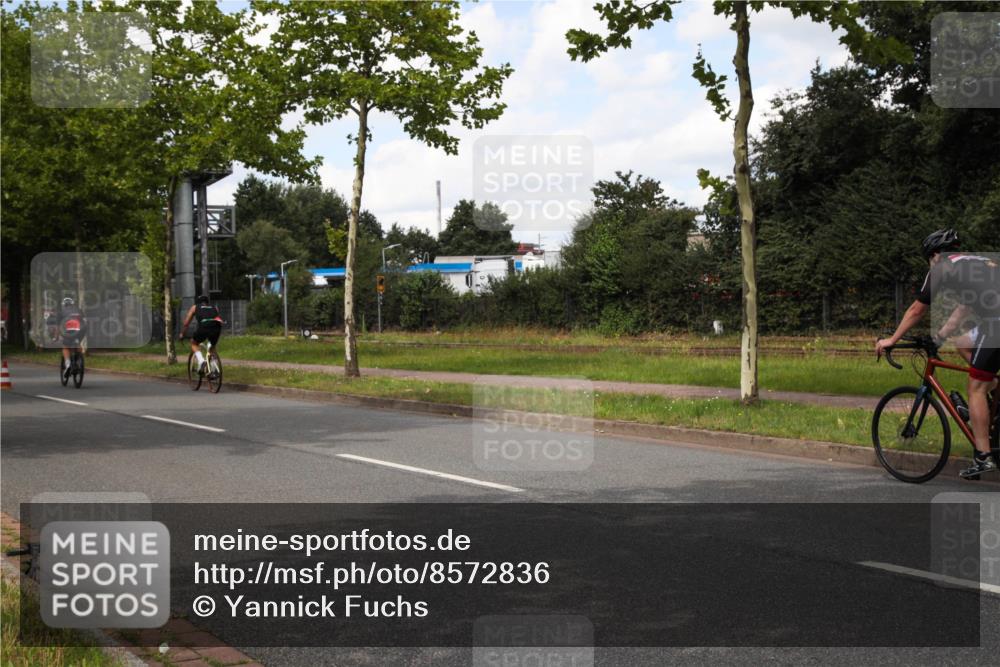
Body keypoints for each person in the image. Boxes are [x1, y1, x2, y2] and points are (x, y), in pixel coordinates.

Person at [876, 229, 1000, 478]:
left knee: (975, 387)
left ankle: (983, 457)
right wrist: (940, 337)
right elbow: (963, 310)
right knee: (963, 342)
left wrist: (892, 339)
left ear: (934, 255)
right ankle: (994, 392)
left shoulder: (942, 267)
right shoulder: (978, 263)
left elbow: (916, 310)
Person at [179, 295, 223, 375]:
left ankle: (202, 362)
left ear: (197, 302)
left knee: (194, 342)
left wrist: (182, 334)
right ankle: (214, 370)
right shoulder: (214, 307)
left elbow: (186, 323)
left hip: (204, 326)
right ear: (207, 302)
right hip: (217, 327)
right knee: (212, 347)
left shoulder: (195, 307)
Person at [47, 297, 87, 380]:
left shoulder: (61, 312)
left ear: (63, 305)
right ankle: (79, 360)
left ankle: (68, 364)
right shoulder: (79, 310)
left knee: (65, 346)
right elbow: (84, 322)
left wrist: (56, 337)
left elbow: (58, 327)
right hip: (81, 330)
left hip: (68, 330)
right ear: (72, 304)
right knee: (78, 343)